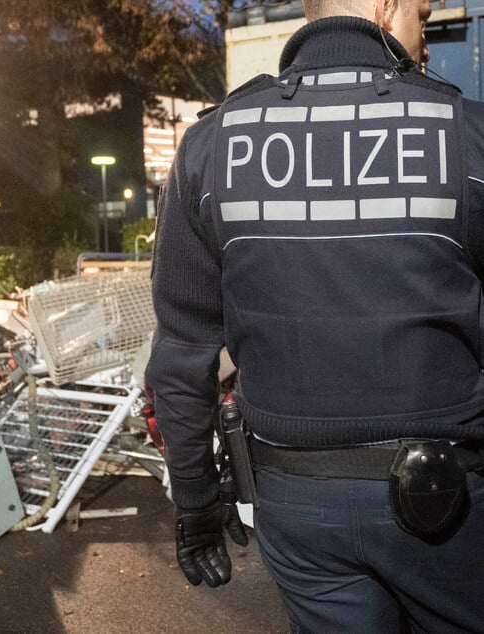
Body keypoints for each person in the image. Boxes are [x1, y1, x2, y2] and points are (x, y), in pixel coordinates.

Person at [146, 0, 484, 630]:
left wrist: (195, 498)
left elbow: (181, 354)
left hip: (296, 509)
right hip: (451, 503)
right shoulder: (464, 134)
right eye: (421, 15)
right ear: (385, 8)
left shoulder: (211, 145)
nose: (427, 39)